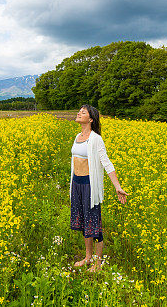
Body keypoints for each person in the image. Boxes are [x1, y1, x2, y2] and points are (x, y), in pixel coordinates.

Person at [69, 104, 128, 272]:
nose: (79, 113)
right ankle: (88, 257)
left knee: (93, 223)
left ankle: (98, 263)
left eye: (83, 112)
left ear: (91, 119)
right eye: (79, 110)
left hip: (89, 185)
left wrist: (117, 186)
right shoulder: (77, 136)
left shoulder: (96, 139)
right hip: (76, 184)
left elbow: (106, 163)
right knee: (82, 222)